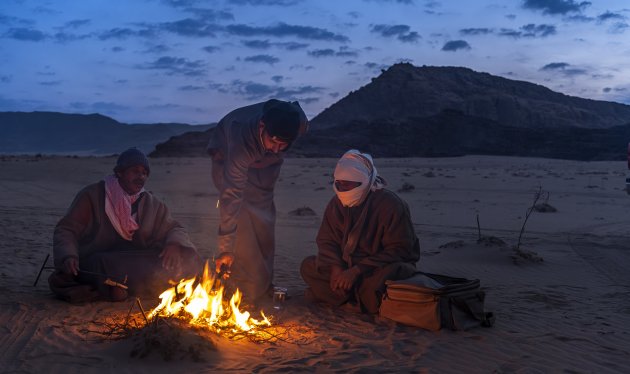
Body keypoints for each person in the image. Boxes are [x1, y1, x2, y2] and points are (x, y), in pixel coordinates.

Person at [49, 148, 202, 303]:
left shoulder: (151, 203)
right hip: (102, 261)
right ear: (120, 173)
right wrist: (68, 255)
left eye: (144, 173)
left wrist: (174, 244)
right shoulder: (92, 196)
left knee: (184, 259)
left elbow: (175, 228)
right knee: (101, 265)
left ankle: (122, 287)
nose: (140, 177)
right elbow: (66, 229)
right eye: (135, 171)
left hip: (133, 262)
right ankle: (119, 288)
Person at [207, 99, 308, 304]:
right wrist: (225, 247)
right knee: (242, 215)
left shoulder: (299, 123)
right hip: (226, 154)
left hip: (266, 165)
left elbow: (277, 147)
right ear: (262, 127)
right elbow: (231, 196)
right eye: (275, 141)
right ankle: (242, 282)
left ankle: (263, 283)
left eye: (284, 145)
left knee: (264, 218)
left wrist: (273, 149)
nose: (278, 148)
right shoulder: (240, 138)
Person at [300, 149, 420, 314]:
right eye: (339, 183)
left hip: (377, 268)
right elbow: (327, 241)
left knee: (385, 278)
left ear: (364, 182)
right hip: (345, 267)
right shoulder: (336, 204)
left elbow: (401, 249)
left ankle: (342, 297)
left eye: (348, 184)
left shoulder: (391, 205)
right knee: (308, 266)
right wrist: (336, 268)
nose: (342, 188)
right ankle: (355, 297)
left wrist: (357, 271)